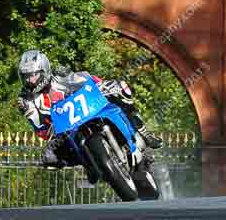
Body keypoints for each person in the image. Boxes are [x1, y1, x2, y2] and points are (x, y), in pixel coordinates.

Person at [15, 49, 163, 169]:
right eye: (25, 77)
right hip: (64, 133)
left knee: (121, 88)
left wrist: (102, 85)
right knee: (49, 158)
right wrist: (49, 134)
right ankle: (90, 164)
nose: (30, 81)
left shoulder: (59, 74)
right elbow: (40, 129)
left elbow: (86, 79)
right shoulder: (26, 100)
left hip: (89, 109)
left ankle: (143, 131)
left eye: (33, 76)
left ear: (44, 70)